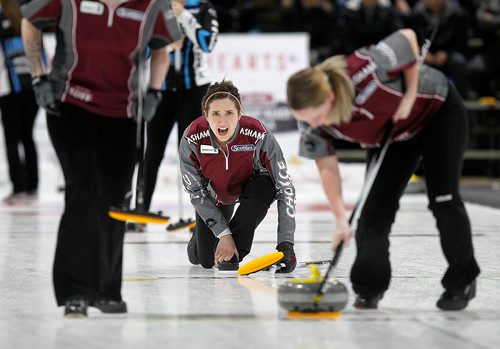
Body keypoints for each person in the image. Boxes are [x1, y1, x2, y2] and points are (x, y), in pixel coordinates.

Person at [286, 28, 480, 310]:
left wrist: (410, 95)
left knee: (443, 200)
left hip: (438, 114)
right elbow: (326, 165)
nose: (312, 125)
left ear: (329, 96)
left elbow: (408, 37)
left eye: (315, 117)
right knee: (373, 212)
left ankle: (462, 280)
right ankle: (369, 286)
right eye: (305, 120)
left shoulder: (367, 69)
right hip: (394, 135)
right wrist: (340, 219)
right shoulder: (313, 122)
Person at [21, 0, 180, 317]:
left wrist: (155, 91)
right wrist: (38, 75)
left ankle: (107, 289)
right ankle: (75, 290)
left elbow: (163, 50)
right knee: (81, 192)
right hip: (69, 106)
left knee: (112, 199)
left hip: (123, 115)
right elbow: (30, 24)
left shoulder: (152, 6)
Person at [179, 80, 297, 272]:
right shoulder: (192, 137)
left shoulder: (258, 134)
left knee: (266, 186)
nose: (222, 121)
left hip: (251, 188)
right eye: (215, 114)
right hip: (214, 196)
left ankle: (234, 251)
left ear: (240, 113)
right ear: (206, 115)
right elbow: (195, 192)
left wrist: (286, 245)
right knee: (205, 260)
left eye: (229, 113)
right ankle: (199, 243)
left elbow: (285, 188)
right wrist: (223, 234)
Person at [130, 0, 219, 232]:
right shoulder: (156, 7)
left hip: (193, 90)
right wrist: (167, 45)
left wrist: (186, 19)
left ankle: (203, 216)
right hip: (162, 89)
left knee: (194, 154)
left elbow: (208, 43)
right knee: (153, 152)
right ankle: (141, 210)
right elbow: (141, 50)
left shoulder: (202, 8)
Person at [0, 0, 39, 205]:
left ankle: (19, 187)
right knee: (27, 136)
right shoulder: (27, 17)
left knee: (11, 139)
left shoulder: (2, 20)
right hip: (32, 85)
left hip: (10, 87)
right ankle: (32, 184)